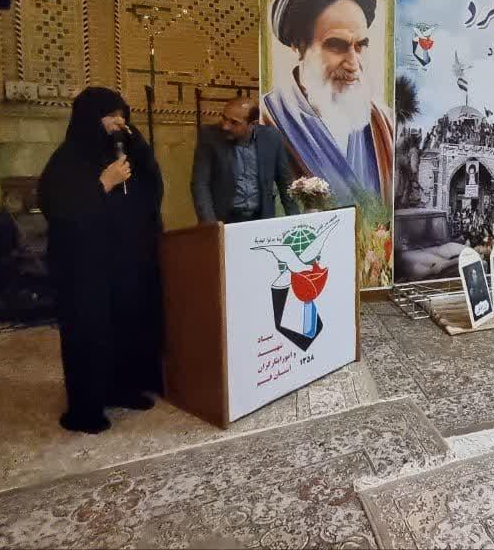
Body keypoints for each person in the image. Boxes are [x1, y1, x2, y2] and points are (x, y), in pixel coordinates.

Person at [39, 87, 164, 434]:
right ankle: (85, 409)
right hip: (83, 267)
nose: (118, 122)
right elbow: (60, 210)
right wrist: (103, 184)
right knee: (89, 332)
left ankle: (121, 388)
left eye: (123, 115)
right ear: (90, 118)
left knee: (125, 325)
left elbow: (152, 188)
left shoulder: (125, 151)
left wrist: (139, 146)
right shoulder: (67, 159)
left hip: (123, 260)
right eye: (111, 115)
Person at [262, 0, 394, 205]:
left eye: (360, 46)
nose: (353, 64)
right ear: (298, 45)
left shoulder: (384, 123)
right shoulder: (267, 120)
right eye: (337, 46)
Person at [192, 97, 299, 224]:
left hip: (262, 220)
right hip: (224, 220)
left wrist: (295, 222)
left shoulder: (271, 137)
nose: (226, 126)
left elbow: (285, 182)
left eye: (234, 122)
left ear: (253, 124)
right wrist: (211, 225)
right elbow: (200, 184)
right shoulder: (210, 136)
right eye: (224, 118)